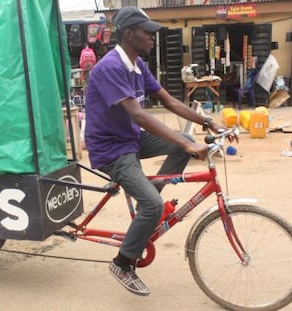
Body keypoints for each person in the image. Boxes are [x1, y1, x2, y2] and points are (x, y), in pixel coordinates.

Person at [84, 6, 236, 296]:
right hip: (111, 149)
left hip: (131, 139)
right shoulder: (111, 68)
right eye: (147, 31)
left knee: (180, 145)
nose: (153, 36)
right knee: (156, 202)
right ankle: (123, 262)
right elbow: (138, 115)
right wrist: (188, 144)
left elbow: (169, 102)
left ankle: (148, 202)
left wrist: (208, 122)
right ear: (130, 35)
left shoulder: (137, 65)